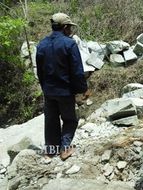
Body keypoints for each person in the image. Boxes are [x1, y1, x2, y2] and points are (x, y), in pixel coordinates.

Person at [36, 13, 88, 161]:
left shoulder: (41, 44)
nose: (71, 31)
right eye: (69, 28)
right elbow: (77, 71)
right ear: (65, 27)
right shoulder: (69, 44)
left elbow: (40, 72)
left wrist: (44, 88)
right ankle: (65, 149)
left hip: (48, 91)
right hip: (65, 91)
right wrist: (82, 89)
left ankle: (50, 151)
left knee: (51, 121)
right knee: (70, 120)